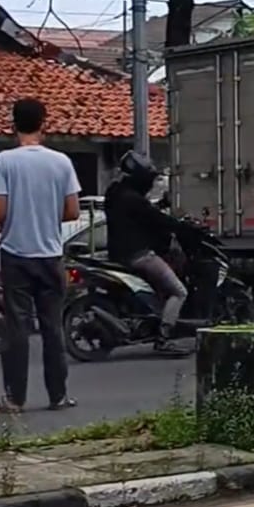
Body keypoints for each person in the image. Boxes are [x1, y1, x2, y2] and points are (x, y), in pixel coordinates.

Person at [0, 98, 81, 414]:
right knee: (53, 328)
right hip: (51, 256)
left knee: (17, 329)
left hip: (16, 255)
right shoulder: (61, 162)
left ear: (13, 124)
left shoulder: (4, 162)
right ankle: (58, 395)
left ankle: (15, 398)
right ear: (44, 123)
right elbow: (72, 211)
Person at [104, 150, 190, 356]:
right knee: (179, 292)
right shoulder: (132, 199)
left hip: (118, 253)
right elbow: (157, 219)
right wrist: (184, 227)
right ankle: (164, 338)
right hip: (138, 255)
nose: (151, 184)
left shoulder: (114, 194)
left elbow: (148, 213)